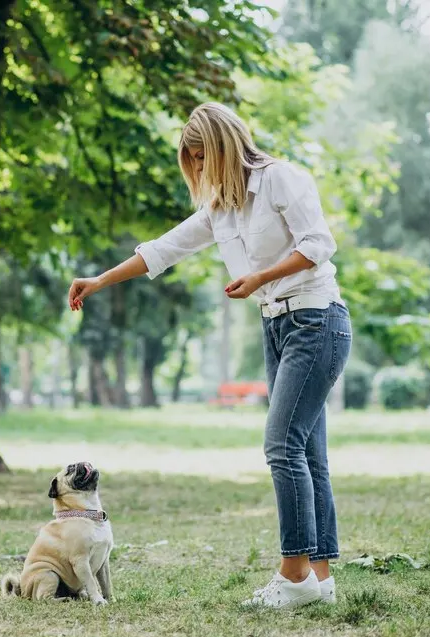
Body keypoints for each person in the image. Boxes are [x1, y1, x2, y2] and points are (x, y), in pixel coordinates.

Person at [67, 102, 352, 609]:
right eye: (191, 161)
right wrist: (99, 281)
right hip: (277, 326)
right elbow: (163, 249)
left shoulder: (281, 179)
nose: (197, 170)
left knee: (282, 445)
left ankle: (295, 577)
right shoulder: (220, 208)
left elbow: (319, 244)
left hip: (315, 318)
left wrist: (261, 277)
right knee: (307, 452)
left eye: (201, 157)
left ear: (223, 147)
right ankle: (321, 579)